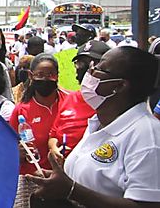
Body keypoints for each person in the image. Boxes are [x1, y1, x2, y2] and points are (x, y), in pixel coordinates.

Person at [27, 46, 160, 206]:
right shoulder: (98, 123)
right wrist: (58, 182)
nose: (89, 73)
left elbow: (146, 205)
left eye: (98, 68)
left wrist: (72, 190)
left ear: (119, 86)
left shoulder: (147, 137)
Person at [9, 53, 69, 208]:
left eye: (50, 75)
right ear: (31, 75)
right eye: (40, 75)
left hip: (68, 183)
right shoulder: (21, 111)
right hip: (33, 185)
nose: (45, 79)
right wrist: (18, 152)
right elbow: (7, 150)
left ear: (57, 76)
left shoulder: (70, 103)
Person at [46, 41, 109, 165]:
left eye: (93, 63)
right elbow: (53, 134)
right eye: (80, 63)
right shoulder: (70, 98)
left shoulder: (112, 104)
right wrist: (53, 148)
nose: (84, 68)